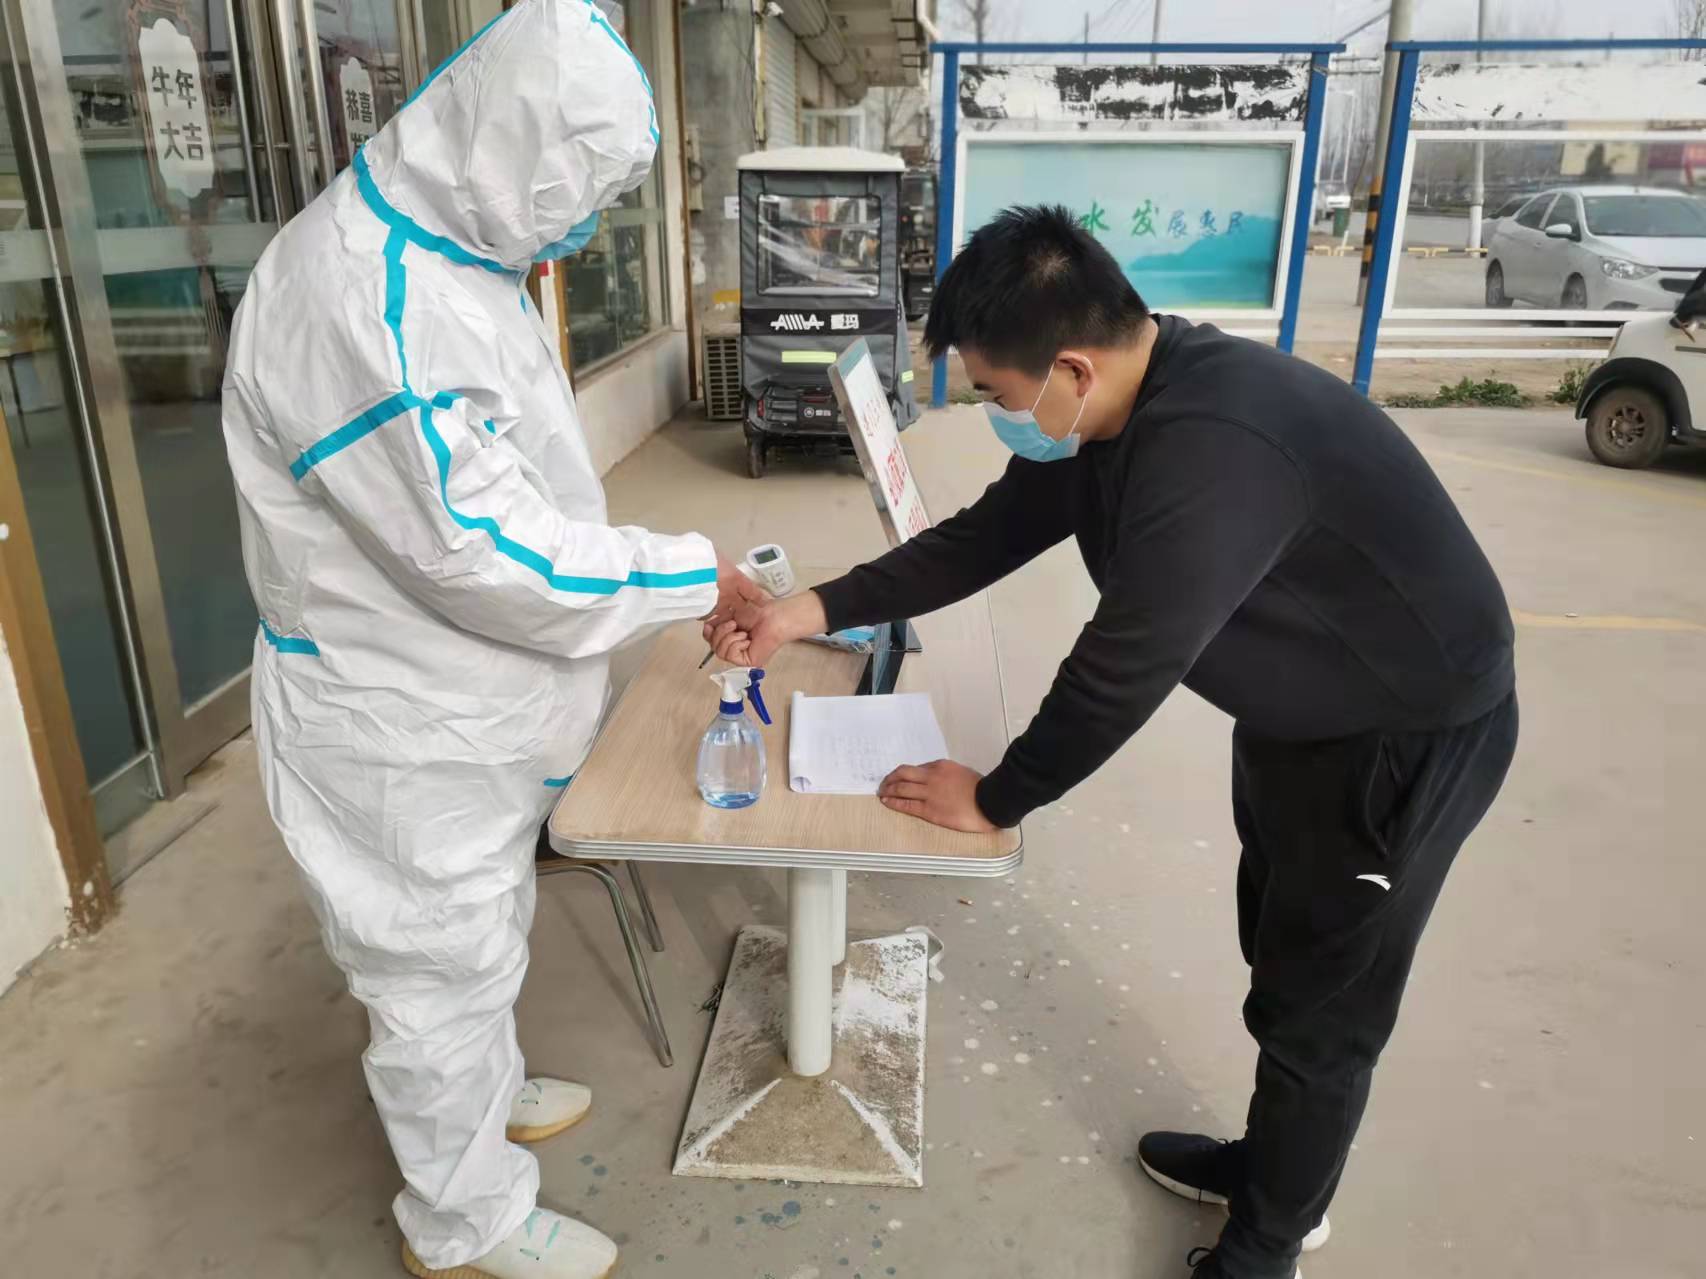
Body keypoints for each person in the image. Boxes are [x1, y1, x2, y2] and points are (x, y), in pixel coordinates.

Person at [706, 205, 1519, 1279]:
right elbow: (980, 539)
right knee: (1281, 950)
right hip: (1302, 716)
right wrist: (803, 610)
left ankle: (1268, 1242)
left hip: (1398, 739)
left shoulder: (1213, 450)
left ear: (1071, 368)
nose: (998, 415)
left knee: (1324, 1005)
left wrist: (997, 794)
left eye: (996, 394)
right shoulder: (1107, 411)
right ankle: (1274, 1166)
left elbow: (1120, 668)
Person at [221, 4, 761, 1277]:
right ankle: (463, 1223)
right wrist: (689, 571)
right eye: (583, 191)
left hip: (461, 700)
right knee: (432, 969)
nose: (585, 226)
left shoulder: (449, 250)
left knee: (480, 929)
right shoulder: (360, 300)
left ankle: (487, 1087)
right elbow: (483, 551)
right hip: (397, 719)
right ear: (517, 148)